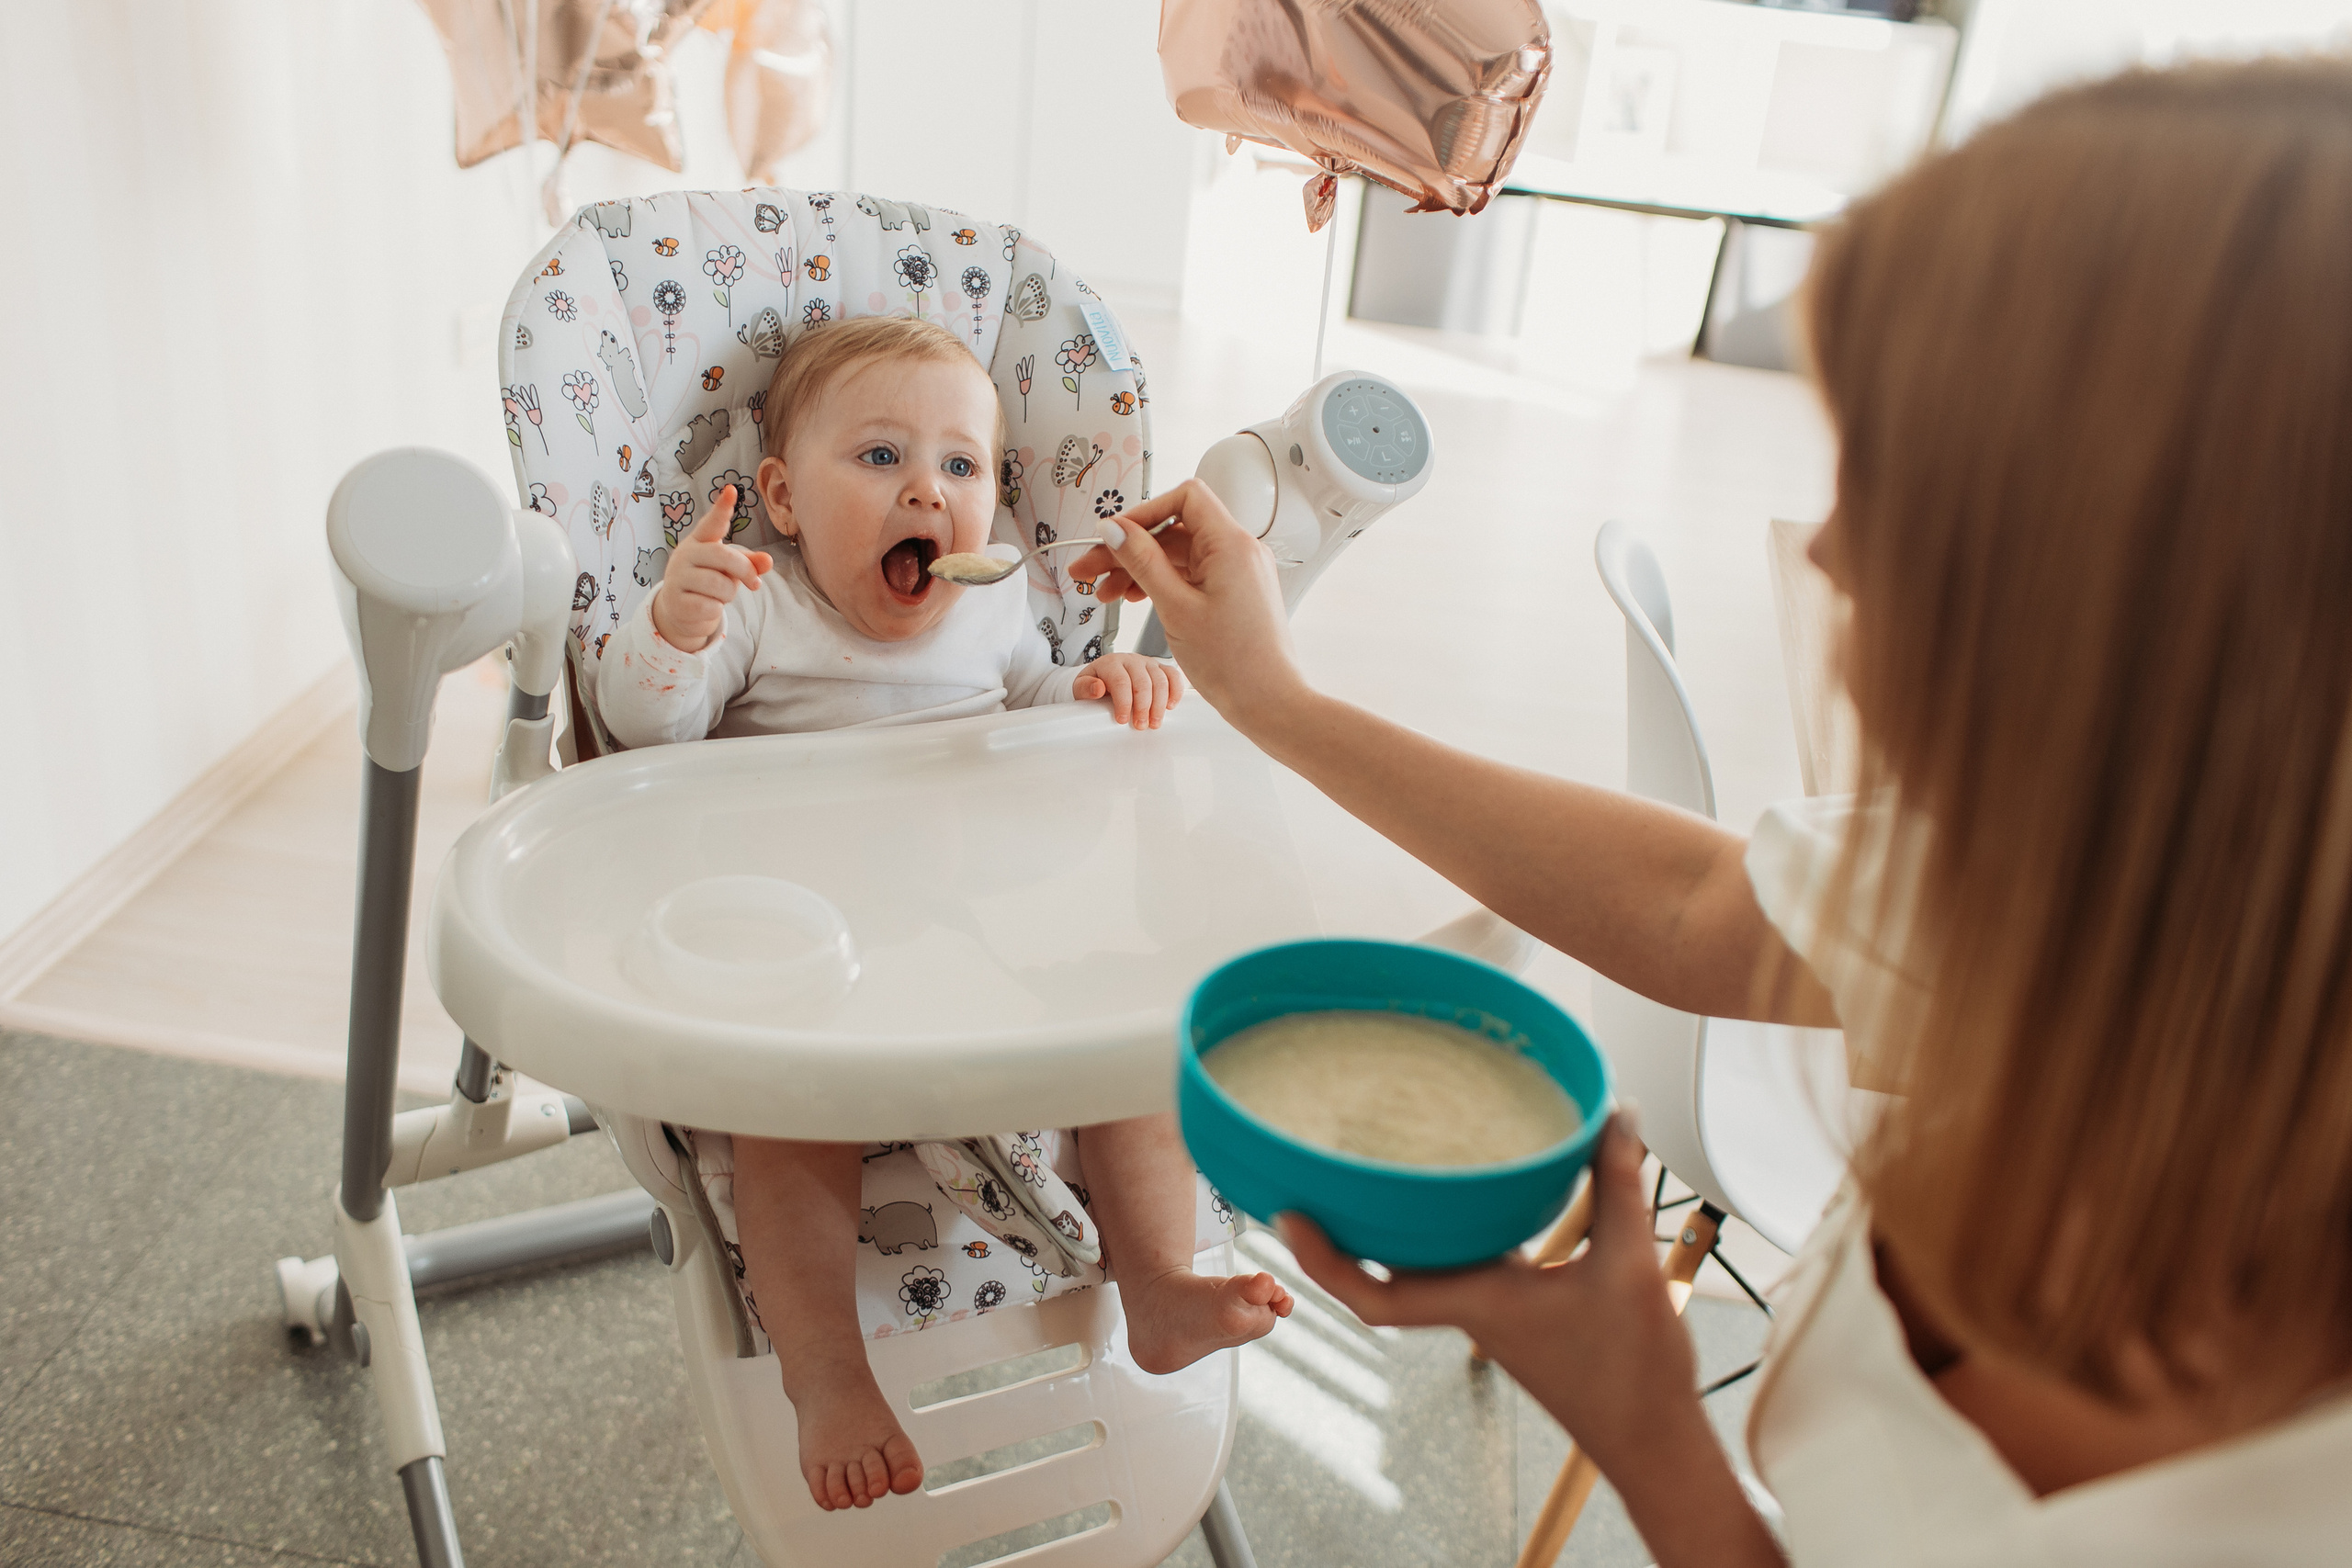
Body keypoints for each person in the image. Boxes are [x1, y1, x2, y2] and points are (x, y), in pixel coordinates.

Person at [1072, 57, 2352, 1567]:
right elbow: (1702, 912)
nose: (1830, 556)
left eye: (1909, 485)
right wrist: (1276, 701)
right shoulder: (2091, 879)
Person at [599, 313, 1293, 1514]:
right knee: (783, 1125)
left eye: (962, 466)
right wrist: (676, 627)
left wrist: (1097, 689)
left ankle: (1162, 1286)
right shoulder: (759, 607)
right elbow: (645, 737)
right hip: (810, 961)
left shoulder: (991, 603)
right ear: (784, 498)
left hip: (980, 938)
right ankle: (826, 1374)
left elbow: (1039, 705)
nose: (928, 488)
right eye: (878, 459)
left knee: (1127, 1046)